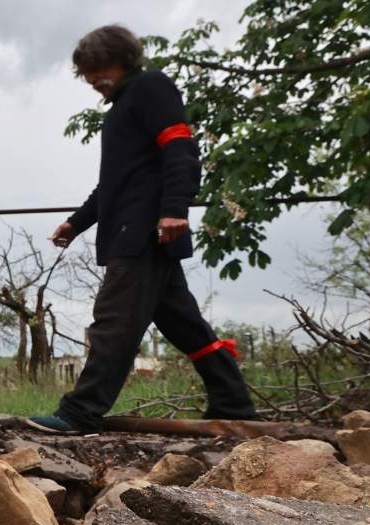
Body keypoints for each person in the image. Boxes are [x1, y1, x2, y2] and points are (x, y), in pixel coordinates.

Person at [31, 25, 258, 433]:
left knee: (113, 323)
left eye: (98, 68)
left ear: (122, 60)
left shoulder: (151, 87)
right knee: (187, 327)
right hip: (137, 232)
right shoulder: (121, 108)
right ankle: (234, 404)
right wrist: (76, 223)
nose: (91, 79)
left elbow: (181, 146)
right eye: (85, 72)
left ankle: (79, 413)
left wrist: (174, 209)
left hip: (143, 233)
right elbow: (113, 187)